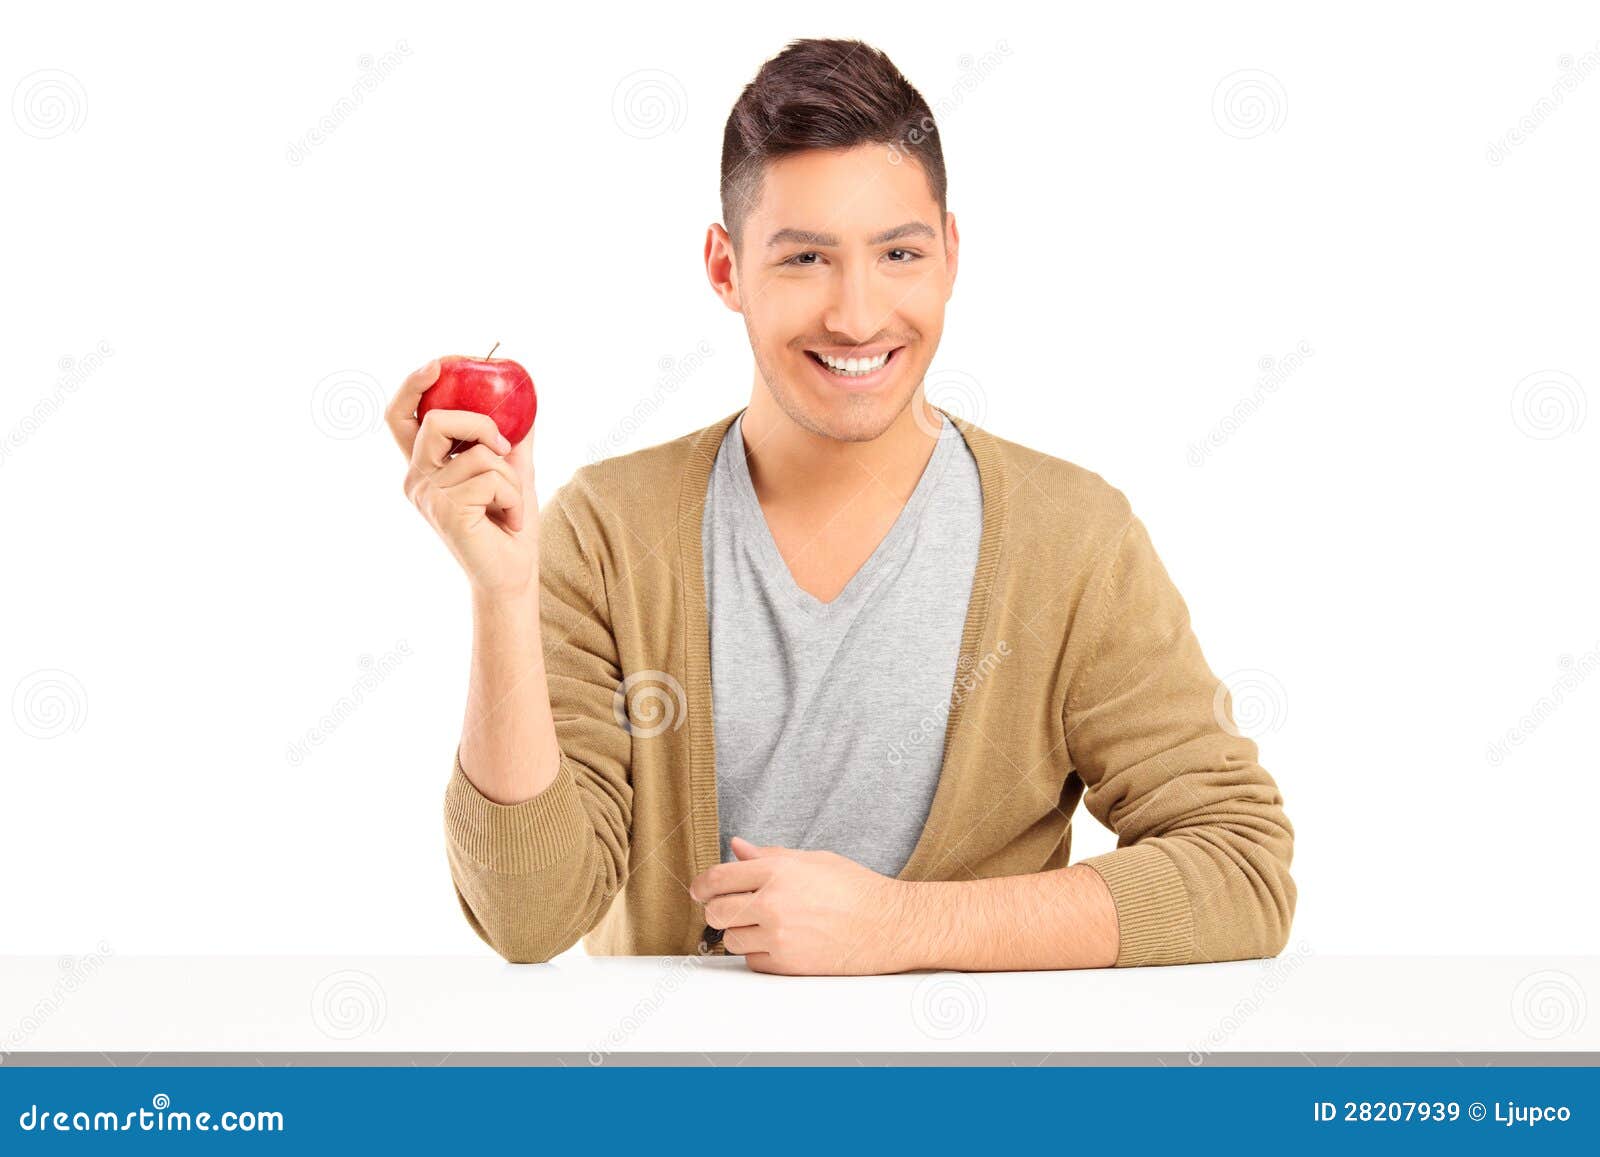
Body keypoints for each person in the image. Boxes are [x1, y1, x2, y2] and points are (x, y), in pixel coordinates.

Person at [387, 37, 1295, 975]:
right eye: (806, 258)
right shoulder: (610, 530)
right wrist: (499, 594)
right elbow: (527, 919)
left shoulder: (1073, 539)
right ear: (725, 268)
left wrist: (902, 926)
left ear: (950, 253)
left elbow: (1242, 870)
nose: (857, 315)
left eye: (897, 252)